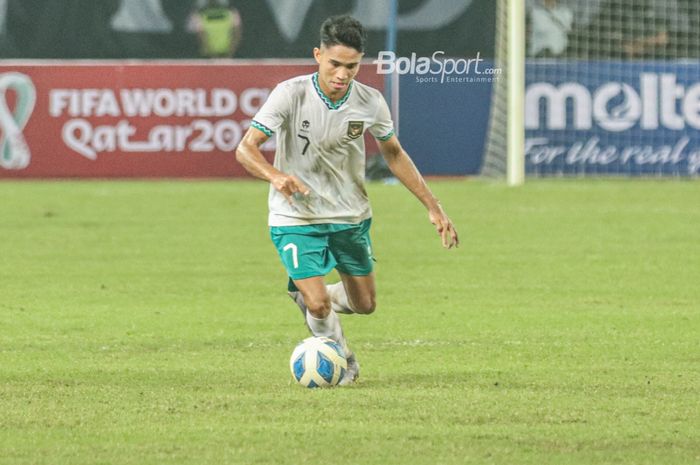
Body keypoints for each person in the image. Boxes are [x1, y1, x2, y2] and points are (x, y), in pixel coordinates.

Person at [235, 15, 459, 386]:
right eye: (335, 64)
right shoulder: (290, 94)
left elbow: (394, 154)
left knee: (365, 304)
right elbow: (246, 149)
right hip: (295, 216)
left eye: (351, 66)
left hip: (350, 216)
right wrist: (276, 176)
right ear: (318, 55)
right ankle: (343, 361)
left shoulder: (370, 101)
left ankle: (307, 295)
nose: (342, 74)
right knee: (320, 305)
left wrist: (433, 206)